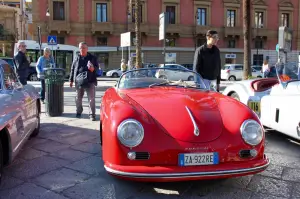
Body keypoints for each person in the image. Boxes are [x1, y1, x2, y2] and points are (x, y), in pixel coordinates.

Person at [69, 42, 98, 121]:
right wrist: (71, 80)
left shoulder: (92, 57)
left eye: (84, 48)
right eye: (81, 48)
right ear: (79, 48)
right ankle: (79, 111)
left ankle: (92, 114)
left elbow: (97, 68)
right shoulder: (76, 57)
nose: (82, 49)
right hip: (79, 81)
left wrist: (93, 69)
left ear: (87, 49)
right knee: (78, 98)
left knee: (91, 98)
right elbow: (72, 69)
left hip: (90, 80)